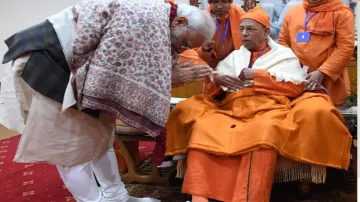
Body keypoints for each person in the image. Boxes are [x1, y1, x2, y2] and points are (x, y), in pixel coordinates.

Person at [0, 1, 216, 202]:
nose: (181, 50)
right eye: (185, 43)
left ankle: (117, 197)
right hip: (52, 63)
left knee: (101, 138)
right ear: (179, 22)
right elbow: (108, 74)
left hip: (81, 71)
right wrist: (168, 78)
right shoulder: (143, 19)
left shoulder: (162, 21)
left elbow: (135, 65)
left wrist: (169, 74)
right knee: (72, 150)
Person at [165, 7, 352, 202]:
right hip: (232, 108)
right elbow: (214, 91)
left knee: (264, 131)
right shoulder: (234, 57)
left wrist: (258, 76)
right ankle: (200, 197)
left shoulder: (284, 55)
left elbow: (295, 87)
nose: (244, 34)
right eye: (242, 29)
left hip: (269, 108)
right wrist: (218, 81)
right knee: (204, 128)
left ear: (265, 32)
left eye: (250, 30)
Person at [278, 0, 355, 105]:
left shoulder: (342, 12)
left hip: (330, 81)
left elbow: (345, 47)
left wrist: (322, 72)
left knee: (326, 115)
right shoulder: (293, 13)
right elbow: (283, 43)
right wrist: (294, 69)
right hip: (296, 79)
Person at [196, 0, 245, 95]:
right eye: (215, 2)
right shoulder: (201, 20)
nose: (219, 6)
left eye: (224, 2)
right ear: (209, 3)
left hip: (236, 67)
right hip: (211, 70)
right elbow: (195, 56)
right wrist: (205, 50)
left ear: (231, 2)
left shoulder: (241, 16)